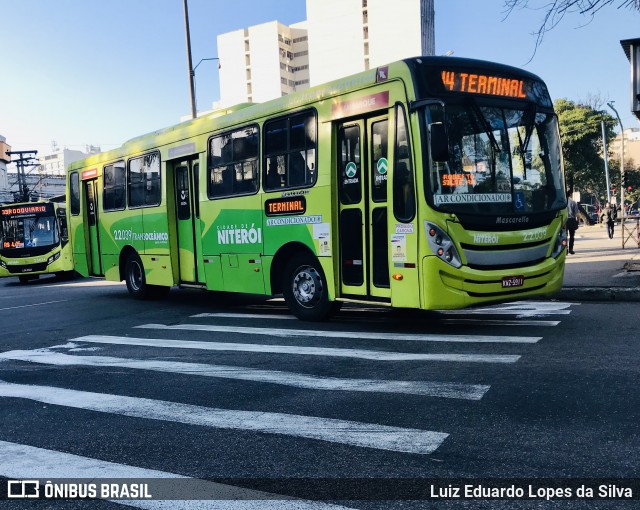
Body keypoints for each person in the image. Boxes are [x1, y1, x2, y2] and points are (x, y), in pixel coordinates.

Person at [566, 190, 579, 254]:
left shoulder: (562, 202)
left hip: (564, 220)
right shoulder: (573, 202)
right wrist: (577, 222)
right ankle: (571, 249)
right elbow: (577, 214)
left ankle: (565, 249)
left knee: (564, 236)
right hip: (571, 220)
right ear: (570, 194)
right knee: (571, 236)